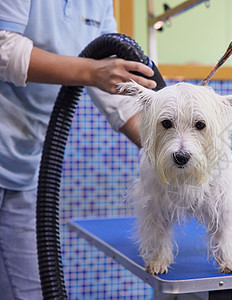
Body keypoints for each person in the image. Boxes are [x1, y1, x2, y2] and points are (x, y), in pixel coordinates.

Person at [0, 1, 151, 298]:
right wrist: (90, 71)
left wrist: (171, 146)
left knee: (34, 291)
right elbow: (3, 48)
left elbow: (115, 87)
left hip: (23, 169)